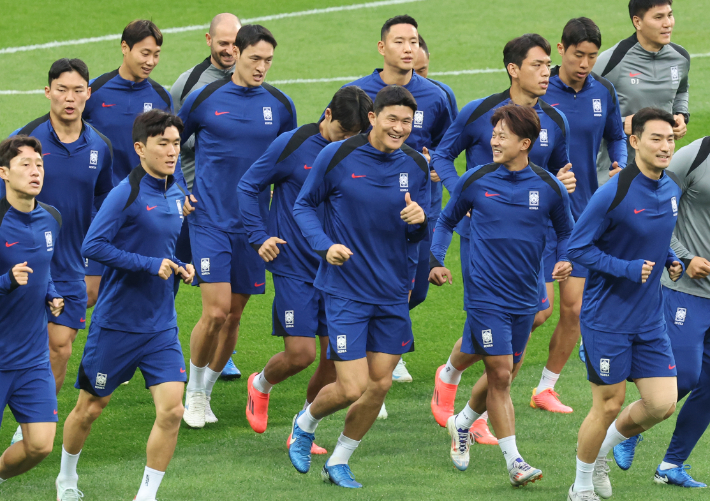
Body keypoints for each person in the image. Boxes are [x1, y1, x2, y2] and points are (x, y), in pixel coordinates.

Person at [429, 33, 575, 443]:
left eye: (549, 65)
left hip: (535, 231)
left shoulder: (554, 119)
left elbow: (561, 170)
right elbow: (442, 154)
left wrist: (565, 181)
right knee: (494, 317)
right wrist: (465, 194)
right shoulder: (480, 113)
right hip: (483, 231)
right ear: (514, 70)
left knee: (535, 314)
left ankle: (462, 384)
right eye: (538, 65)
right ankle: (464, 389)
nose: (548, 72)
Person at [288, 85, 430, 488]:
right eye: (392, 119)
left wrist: (419, 221)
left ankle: (339, 461)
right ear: (373, 117)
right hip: (346, 288)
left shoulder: (417, 166)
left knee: (380, 383)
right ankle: (304, 423)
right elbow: (303, 205)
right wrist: (325, 244)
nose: (399, 128)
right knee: (352, 386)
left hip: (391, 291)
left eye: (407, 121)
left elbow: (419, 234)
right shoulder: (337, 155)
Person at [56, 110, 194, 501]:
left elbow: (163, 247)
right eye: (163, 144)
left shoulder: (176, 190)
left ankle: (145, 496)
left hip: (161, 325)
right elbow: (92, 246)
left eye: (175, 144)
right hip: (117, 323)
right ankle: (66, 479)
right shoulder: (126, 193)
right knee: (90, 408)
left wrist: (181, 267)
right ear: (140, 148)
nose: (171, 151)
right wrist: (151, 266)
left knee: (172, 411)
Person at [238, 86, 373, 453]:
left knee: (334, 361)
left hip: (339, 271)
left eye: (353, 136)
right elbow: (248, 186)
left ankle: (302, 428)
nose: (344, 142)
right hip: (294, 264)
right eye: (341, 133)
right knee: (301, 354)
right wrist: (258, 235)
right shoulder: (292, 144)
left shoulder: (361, 150)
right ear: (327, 115)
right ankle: (261, 384)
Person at [178, 24, 297, 428]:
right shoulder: (204, 97)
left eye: (268, 60)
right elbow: (169, 142)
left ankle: (207, 389)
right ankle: (192, 391)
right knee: (215, 311)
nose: (262, 67)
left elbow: (289, 164)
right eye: (255, 59)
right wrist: (179, 189)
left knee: (234, 315)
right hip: (209, 218)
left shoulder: (280, 105)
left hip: (254, 226)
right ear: (237, 53)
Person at [327, 15, 452, 389]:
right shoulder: (357, 92)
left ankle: (381, 343)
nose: (408, 48)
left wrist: (436, 169)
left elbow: (450, 145)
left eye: (413, 41)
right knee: (372, 283)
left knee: (416, 289)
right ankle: (370, 357)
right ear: (382, 48)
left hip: (417, 214)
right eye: (399, 41)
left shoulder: (438, 95)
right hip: (366, 215)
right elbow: (333, 140)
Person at [566, 108, 683, 501]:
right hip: (607, 318)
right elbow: (577, 246)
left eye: (669, 139)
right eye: (655, 138)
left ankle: (600, 451)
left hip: (650, 318)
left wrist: (671, 257)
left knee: (662, 404)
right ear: (634, 141)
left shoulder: (670, 189)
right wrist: (626, 268)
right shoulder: (612, 192)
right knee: (609, 403)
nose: (665, 146)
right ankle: (580, 485)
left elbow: (655, 234)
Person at [4, 60, 113, 420]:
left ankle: (30, 422)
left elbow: (103, 202)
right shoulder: (26, 141)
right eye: (62, 90)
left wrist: (96, 258)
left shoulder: (100, 146)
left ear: (88, 94)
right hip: (22, 259)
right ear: (48, 92)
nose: (70, 98)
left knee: (60, 348)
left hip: (69, 263)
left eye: (78, 90)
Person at [529, 18, 627, 413]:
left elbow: (616, 135)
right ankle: (480, 366)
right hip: (538, 216)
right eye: (578, 55)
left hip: (582, 216)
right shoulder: (540, 91)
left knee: (574, 309)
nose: (585, 63)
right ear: (561, 50)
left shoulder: (603, 91)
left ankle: (545, 388)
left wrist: (619, 162)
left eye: (591, 56)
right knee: (539, 311)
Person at [82, 19, 187, 304]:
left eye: (156, 54)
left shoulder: (160, 96)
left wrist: (182, 192)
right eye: (145, 53)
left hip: (146, 209)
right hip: (100, 207)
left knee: (138, 284)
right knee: (91, 293)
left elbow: (171, 152)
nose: (151, 61)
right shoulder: (94, 92)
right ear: (124, 48)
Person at [628, 137, 709, 488]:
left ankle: (671, 465)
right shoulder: (695, 155)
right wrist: (684, 257)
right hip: (686, 290)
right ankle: (631, 426)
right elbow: (655, 206)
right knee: (687, 376)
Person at [170, 13, 241, 373]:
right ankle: (151, 341)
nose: (230, 50)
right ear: (208, 40)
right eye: (223, 42)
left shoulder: (244, 79)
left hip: (224, 201)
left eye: (235, 43)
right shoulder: (193, 83)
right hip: (190, 196)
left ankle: (214, 350)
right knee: (170, 272)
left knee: (217, 280)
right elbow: (172, 137)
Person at [0, 136, 63, 487]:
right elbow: (11, 278)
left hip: (32, 358)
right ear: (4, 173)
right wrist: (6, 281)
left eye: (39, 164)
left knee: (39, 445)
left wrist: (51, 293)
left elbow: (45, 268)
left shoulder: (51, 218)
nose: (35, 171)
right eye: (25, 164)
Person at [595, 0, 689, 187]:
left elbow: (681, 90)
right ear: (637, 22)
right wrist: (620, 124)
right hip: (614, 174)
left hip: (657, 174)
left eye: (669, 15)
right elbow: (583, 108)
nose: (667, 23)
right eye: (658, 17)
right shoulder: (611, 61)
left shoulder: (680, 58)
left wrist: (681, 115)